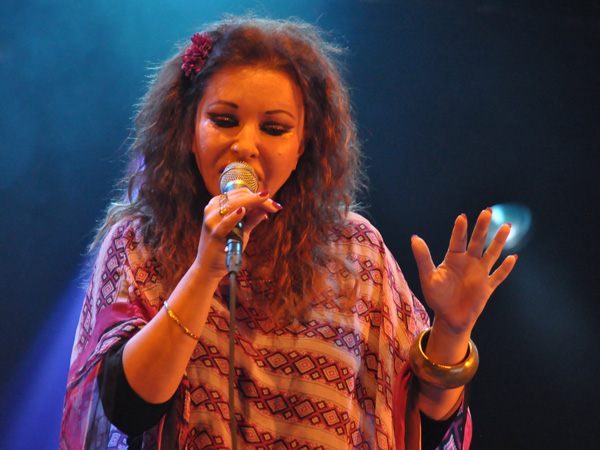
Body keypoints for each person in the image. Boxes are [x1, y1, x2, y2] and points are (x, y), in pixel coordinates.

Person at [60, 16, 517, 450]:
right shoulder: (141, 243)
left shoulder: (357, 253)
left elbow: (424, 423)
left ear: (303, 146)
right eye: (223, 119)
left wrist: (454, 330)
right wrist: (204, 270)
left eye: (274, 128)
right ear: (187, 130)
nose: (245, 144)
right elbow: (124, 409)